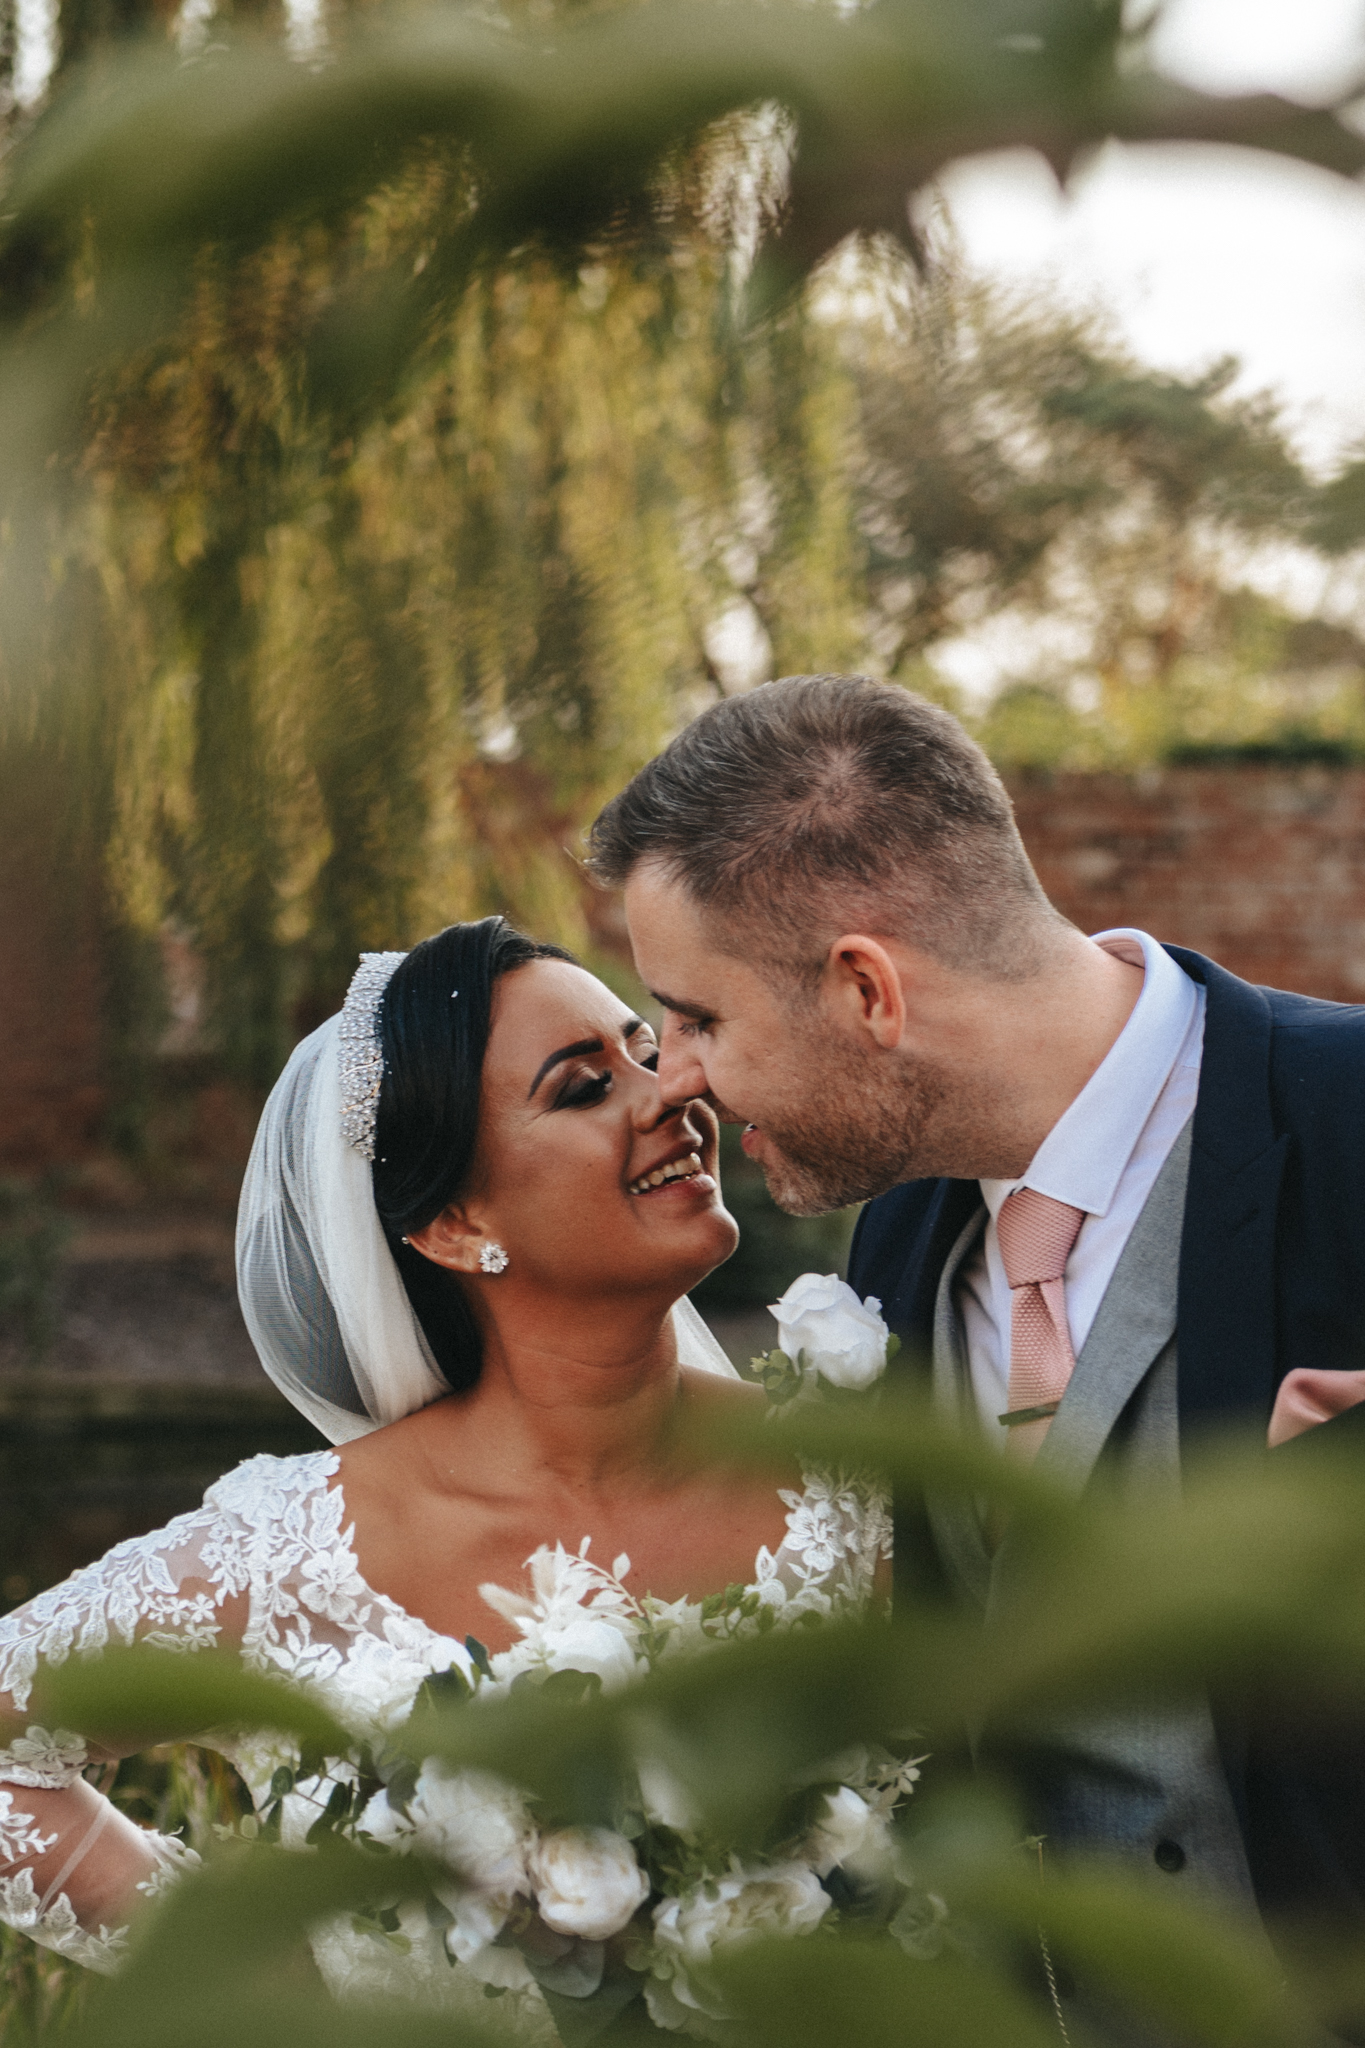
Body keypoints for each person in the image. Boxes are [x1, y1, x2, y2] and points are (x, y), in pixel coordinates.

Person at [589, 670, 1365, 1992]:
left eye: (698, 1015)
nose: (674, 1074)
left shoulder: (1348, 1120)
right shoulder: (896, 1248)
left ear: (867, 992)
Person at [0, 917, 889, 2022]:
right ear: (458, 1225)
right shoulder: (291, 1553)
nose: (668, 1092)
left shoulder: (854, 1479)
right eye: (581, 1087)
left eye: (643, 1052)